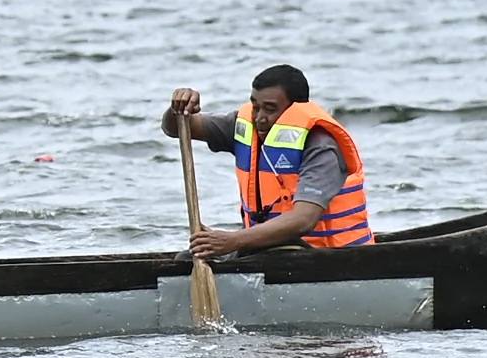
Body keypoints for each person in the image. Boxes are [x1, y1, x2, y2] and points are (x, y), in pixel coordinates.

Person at [159, 64, 375, 259]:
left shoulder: (321, 147)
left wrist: (232, 241)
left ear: (294, 109)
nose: (260, 117)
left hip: (325, 257)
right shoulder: (245, 127)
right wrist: (179, 109)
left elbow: (304, 219)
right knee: (188, 259)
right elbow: (175, 128)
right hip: (268, 247)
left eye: (270, 109)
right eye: (255, 106)